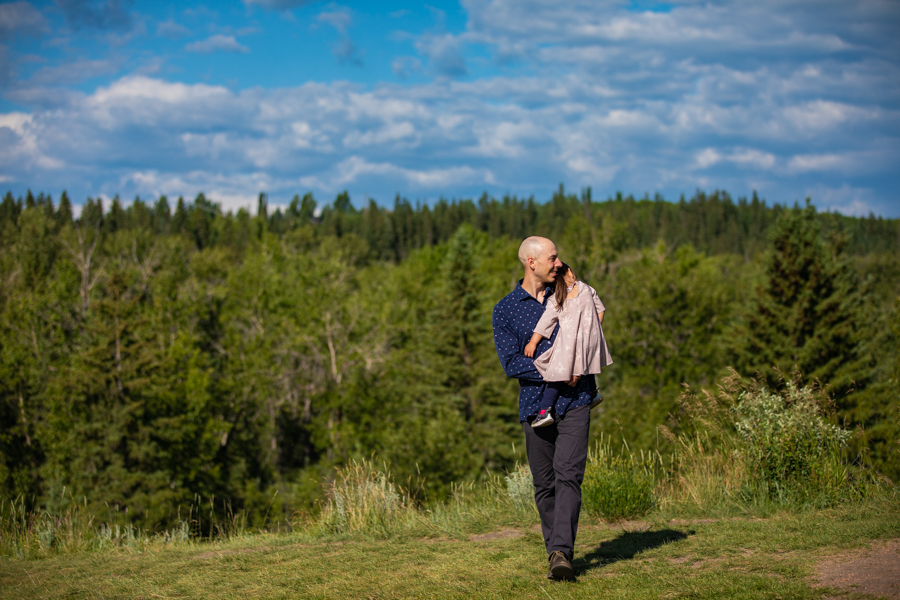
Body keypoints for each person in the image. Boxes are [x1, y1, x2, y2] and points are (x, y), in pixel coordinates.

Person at [491, 236, 595, 581]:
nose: (558, 262)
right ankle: (555, 550)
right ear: (531, 262)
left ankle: (562, 551)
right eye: (552, 258)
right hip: (535, 404)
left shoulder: (568, 292)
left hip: (577, 397)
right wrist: (556, 368)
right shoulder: (505, 309)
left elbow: (592, 326)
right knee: (545, 482)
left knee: (569, 474)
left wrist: (577, 288)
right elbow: (511, 363)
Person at [524, 263, 612, 427]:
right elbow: (601, 310)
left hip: (569, 343)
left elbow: (545, 323)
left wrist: (532, 342)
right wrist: (595, 330)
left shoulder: (557, 299)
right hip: (589, 339)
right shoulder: (587, 289)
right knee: (586, 363)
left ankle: (545, 411)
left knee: (556, 374)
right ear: (571, 272)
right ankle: (592, 392)